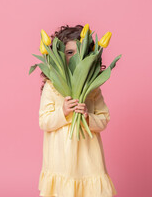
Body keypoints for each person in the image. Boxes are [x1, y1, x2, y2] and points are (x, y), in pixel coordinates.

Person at [38, 24, 117, 197]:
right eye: (69, 53)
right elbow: (44, 121)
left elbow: (104, 119)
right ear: (58, 55)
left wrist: (88, 118)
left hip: (88, 159)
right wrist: (63, 111)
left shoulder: (92, 88)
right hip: (60, 159)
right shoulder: (52, 87)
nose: (74, 57)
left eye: (79, 52)